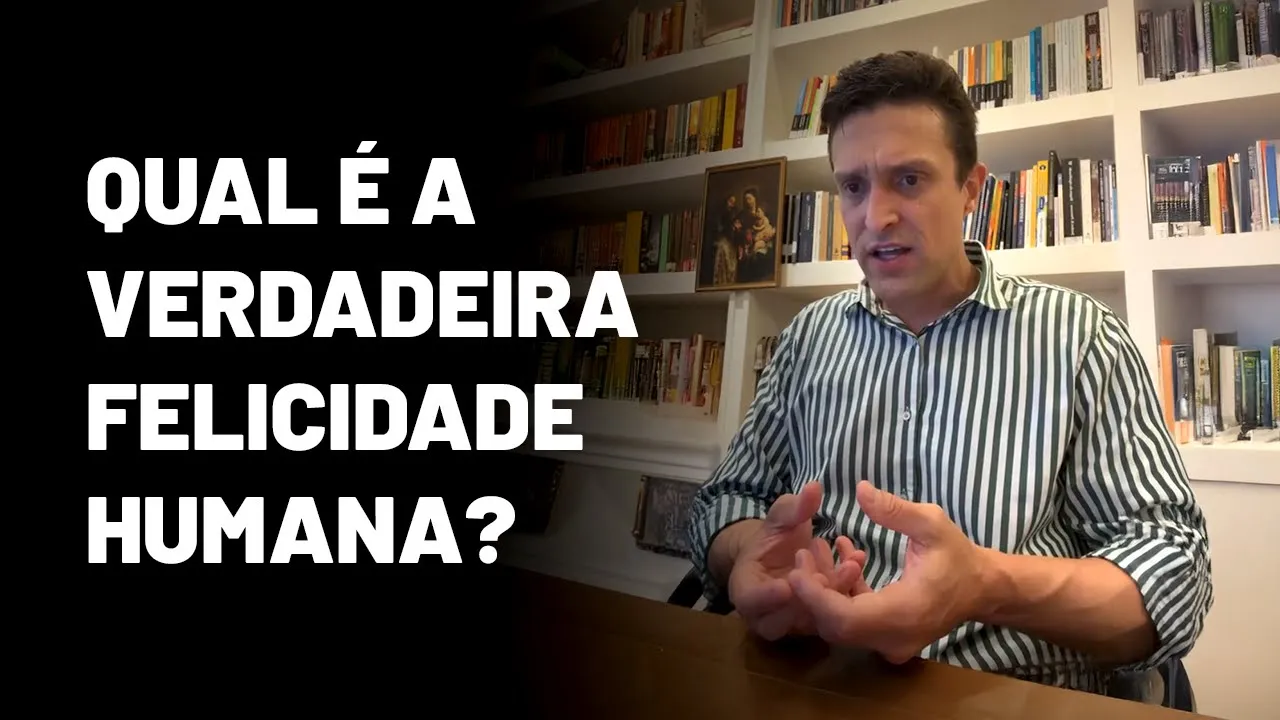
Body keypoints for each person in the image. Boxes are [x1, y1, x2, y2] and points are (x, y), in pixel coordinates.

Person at [685, 50, 1213, 700]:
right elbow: (724, 501)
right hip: (819, 687)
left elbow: (1173, 572)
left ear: (970, 188)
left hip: (1011, 696)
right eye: (853, 187)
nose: (874, 218)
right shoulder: (806, 340)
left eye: (908, 180)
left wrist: (983, 585)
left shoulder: (1081, 339)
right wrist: (748, 555)